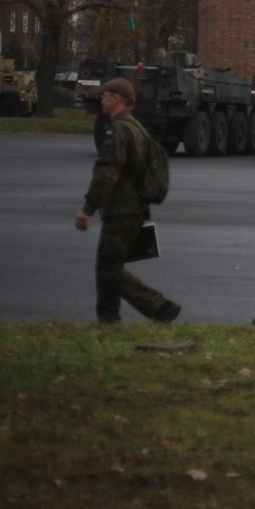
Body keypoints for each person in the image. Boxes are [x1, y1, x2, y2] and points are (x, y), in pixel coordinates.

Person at [74, 77, 181, 324]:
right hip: (134, 208)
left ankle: (159, 306)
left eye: (105, 95)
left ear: (116, 99)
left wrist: (87, 209)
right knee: (109, 266)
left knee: (108, 269)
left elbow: (107, 171)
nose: (101, 99)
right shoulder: (135, 128)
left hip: (122, 209)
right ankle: (108, 319)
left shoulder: (119, 130)